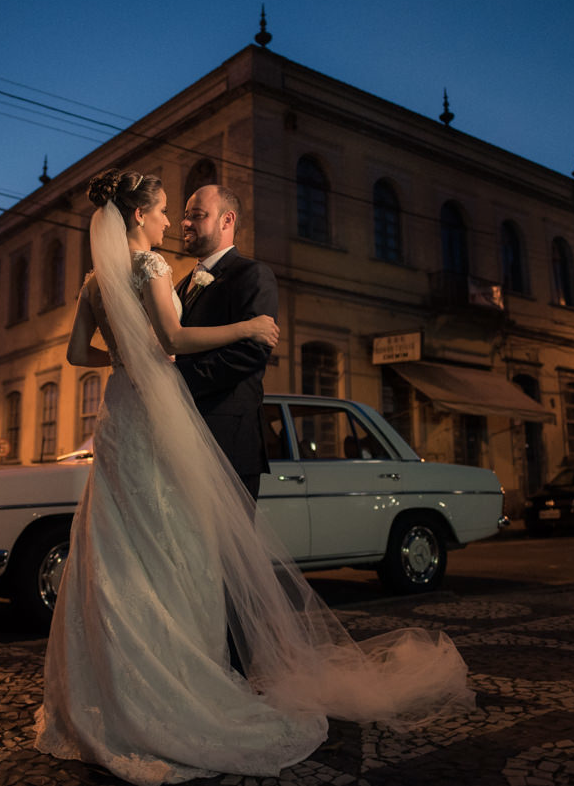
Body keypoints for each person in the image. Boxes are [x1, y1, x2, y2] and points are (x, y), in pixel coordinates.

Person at [33, 168, 474, 786]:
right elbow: (177, 337)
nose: (178, 223)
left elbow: (83, 355)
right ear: (140, 217)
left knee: (131, 551)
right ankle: (192, 684)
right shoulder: (160, 272)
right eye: (170, 213)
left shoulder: (190, 276)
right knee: (170, 552)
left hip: (159, 424)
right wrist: (204, 342)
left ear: (228, 219)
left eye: (193, 214)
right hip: (156, 420)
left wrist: (137, 358)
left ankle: (158, 680)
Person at [174, 184, 277, 499]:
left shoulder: (252, 275)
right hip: (181, 440)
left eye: (198, 215)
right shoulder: (179, 285)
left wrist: (176, 381)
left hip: (228, 440)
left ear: (226, 220)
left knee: (228, 548)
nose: (185, 223)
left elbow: (250, 352)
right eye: (185, 216)